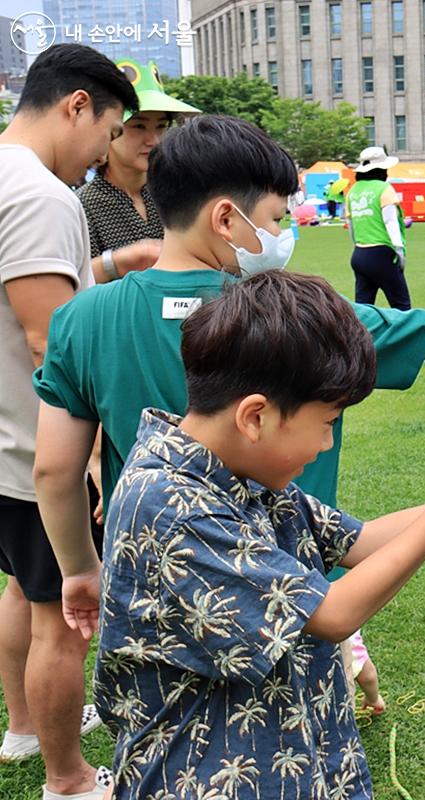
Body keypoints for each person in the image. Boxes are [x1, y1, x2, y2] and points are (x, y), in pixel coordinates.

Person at [32, 114, 425, 648]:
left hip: (157, 596)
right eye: (277, 218)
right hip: (292, 592)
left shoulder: (81, 318)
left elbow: (55, 469)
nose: (283, 233)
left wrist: (80, 568)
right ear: (227, 218)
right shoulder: (292, 316)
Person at [93, 269, 425, 798]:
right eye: (328, 421)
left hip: (301, 764)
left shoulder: (241, 473)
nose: (326, 444)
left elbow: (364, 541)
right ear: (255, 416)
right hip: (213, 779)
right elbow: (331, 613)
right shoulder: (170, 505)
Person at [0, 43, 138, 800]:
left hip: (2, 446)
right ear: (76, 107)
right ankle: (70, 780)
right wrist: (84, 460)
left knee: (24, 591)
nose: (103, 153)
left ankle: (24, 727)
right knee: (60, 616)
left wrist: (113, 268)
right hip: (32, 449)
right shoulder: (43, 195)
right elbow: (52, 341)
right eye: (109, 130)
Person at [76, 59, 199, 283]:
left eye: (161, 126)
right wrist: (116, 261)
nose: (153, 140)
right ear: (111, 128)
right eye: (139, 126)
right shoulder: (82, 205)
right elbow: (70, 282)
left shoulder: (178, 194)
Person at [347, 146, 410, 309]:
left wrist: (356, 245)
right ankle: (407, 335)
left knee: (364, 308)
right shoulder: (384, 189)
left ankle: (360, 335)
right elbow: (390, 221)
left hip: (359, 254)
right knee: (401, 305)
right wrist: (399, 248)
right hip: (381, 254)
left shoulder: (353, 191)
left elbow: (351, 225)